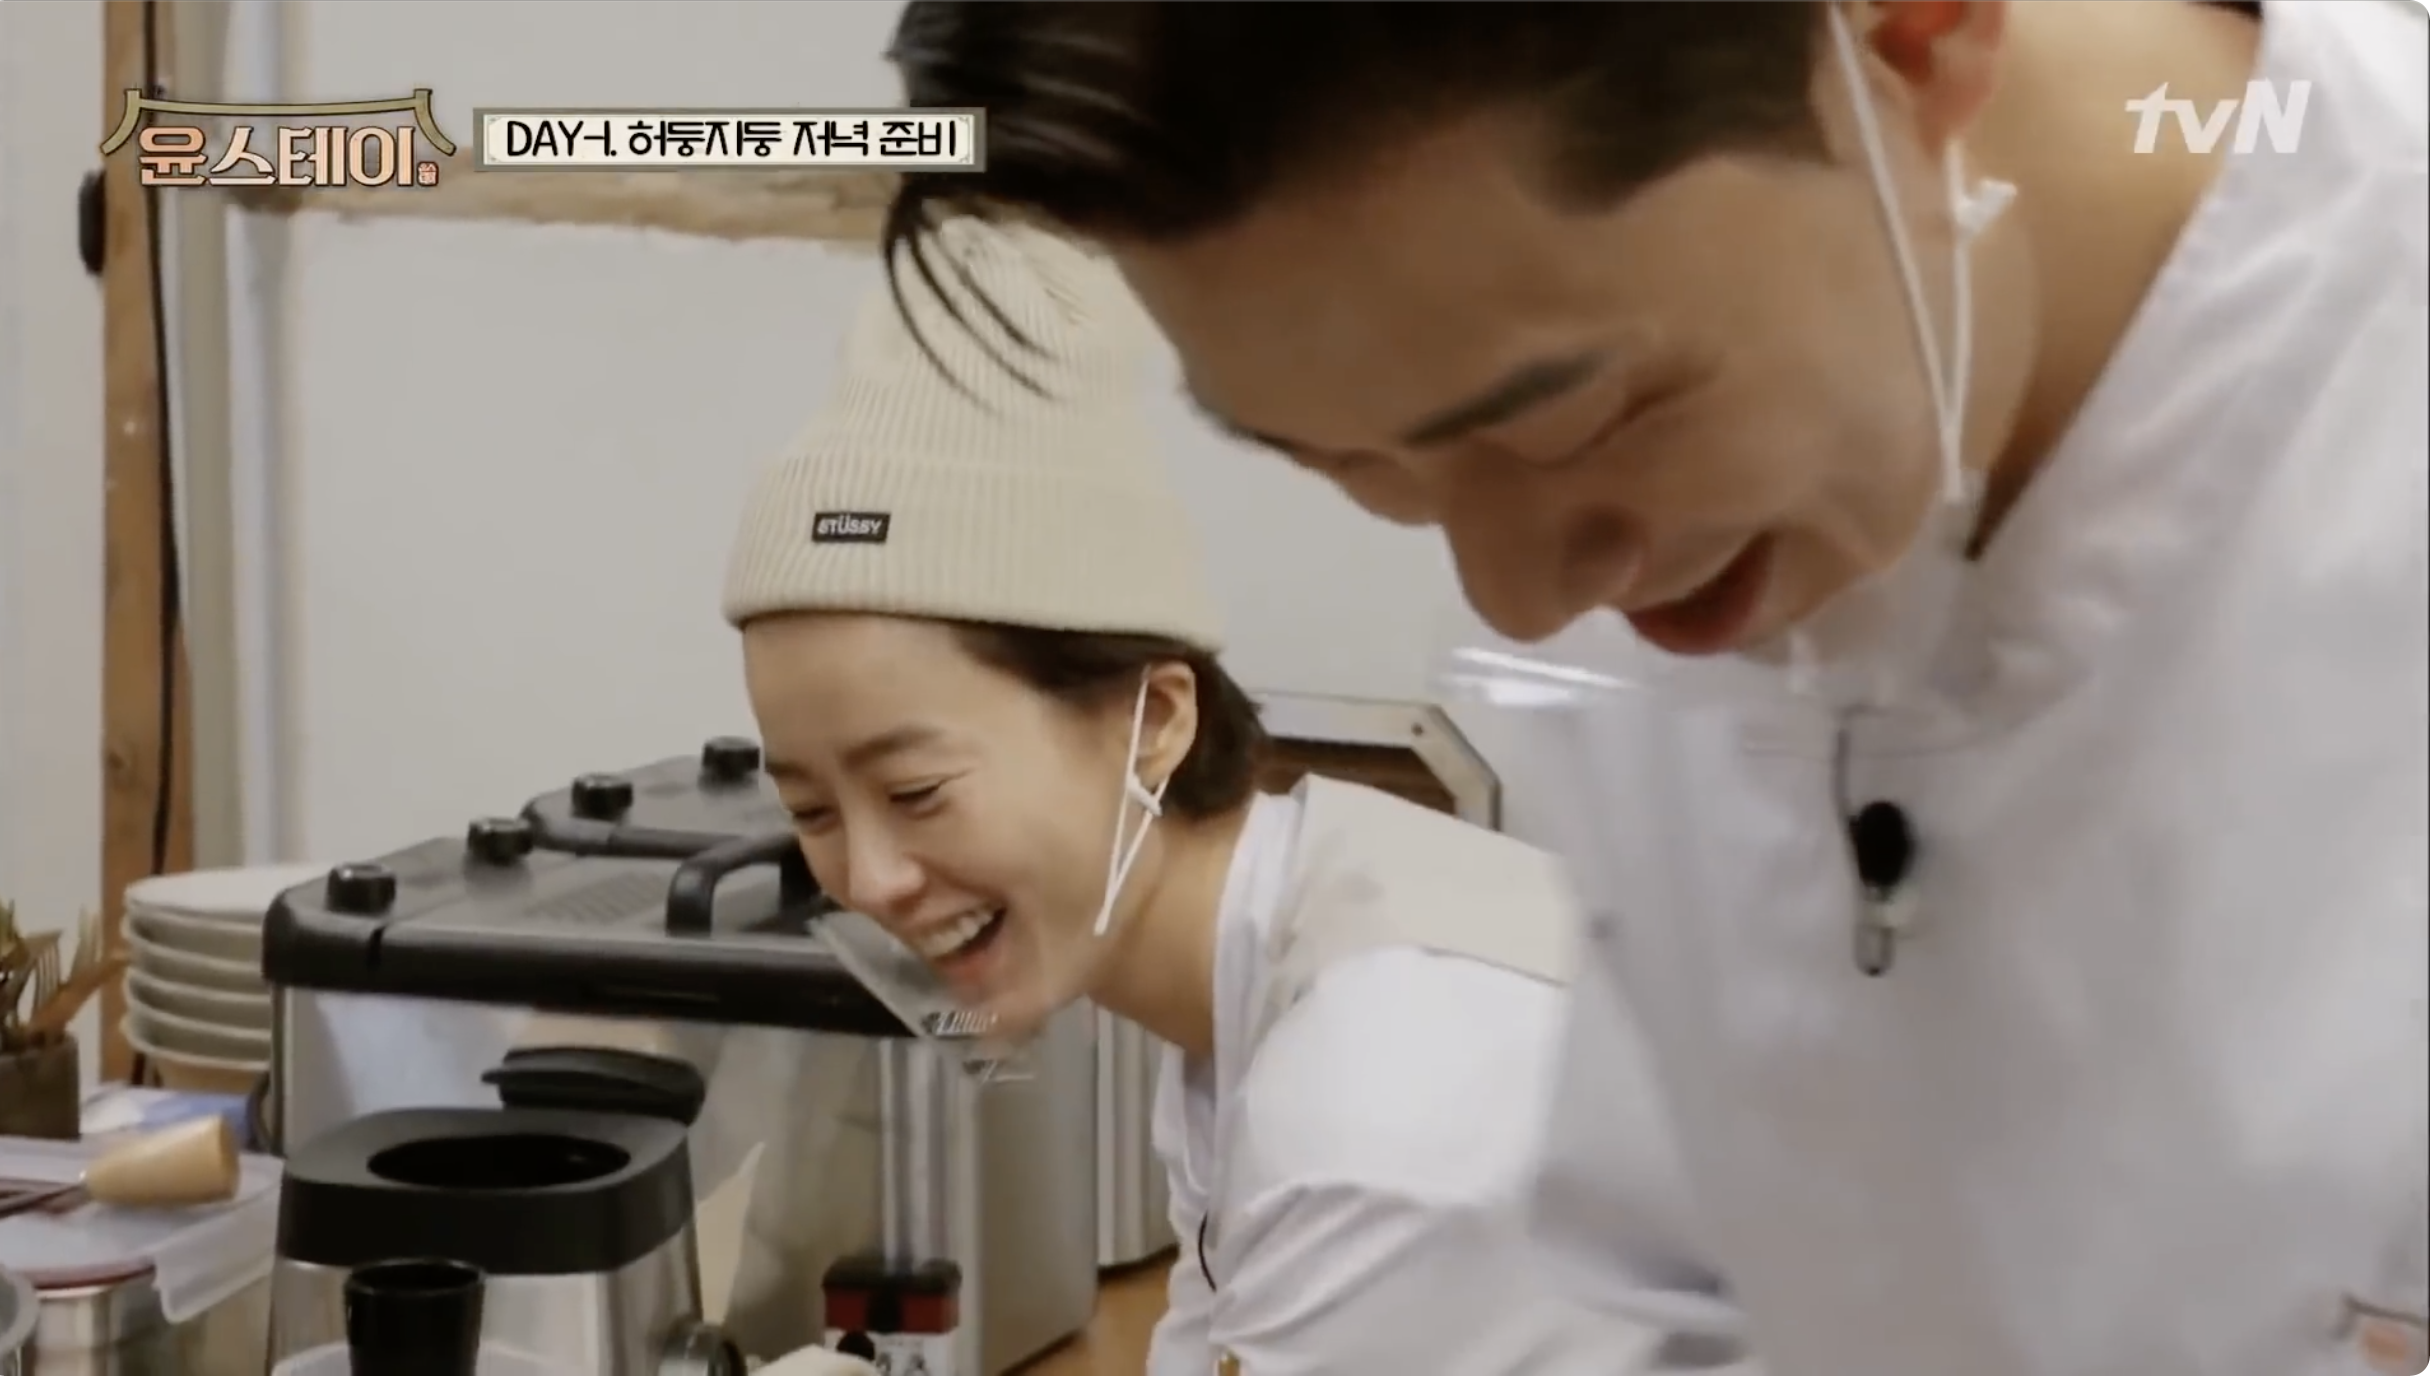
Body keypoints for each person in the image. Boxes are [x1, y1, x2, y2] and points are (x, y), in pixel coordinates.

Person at [872, 3, 2430, 1374]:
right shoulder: (1702, 531)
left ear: (1913, 35)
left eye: (1574, 419)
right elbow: (1693, 1279)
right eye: (1354, 466)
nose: (1519, 594)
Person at [718, 219, 1671, 1374]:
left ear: (1157, 718)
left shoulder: (1378, 1092)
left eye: (916, 790)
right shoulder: (1251, 978)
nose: (869, 879)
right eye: (812, 810)